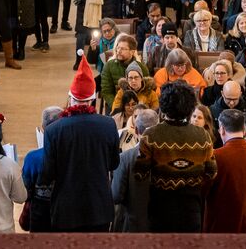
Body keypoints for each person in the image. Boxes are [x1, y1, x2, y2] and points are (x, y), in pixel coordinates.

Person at [40, 56, 119, 232]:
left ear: (70, 98)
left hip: (67, 208)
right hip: (99, 207)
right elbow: (114, 163)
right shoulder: (108, 124)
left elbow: (47, 173)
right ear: (92, 99)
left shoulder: (54, 130)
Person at [134, 82, 217, 232]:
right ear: (190, 107)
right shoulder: (203, 135)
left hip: (160, 207)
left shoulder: (150, 135)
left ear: (164, 105)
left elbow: (140, 173)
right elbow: (212, 172)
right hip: (192, 207)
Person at [203, 109, 246, 233]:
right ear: (245, 129)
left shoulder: (214, 156)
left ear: (222, 129)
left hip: (219, 228)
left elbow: (203, 191)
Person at [110, 108, 158, 232]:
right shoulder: (168, 156)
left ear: (136, 130)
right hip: (161, 226)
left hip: (132, 225)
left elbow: (116, 195)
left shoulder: (125, 158)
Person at [21, 106, 63, 233]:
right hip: (65, 211)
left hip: (40, 212)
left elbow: (25, 188)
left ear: (43, 128)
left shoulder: (33, 157)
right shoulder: (72, 154)